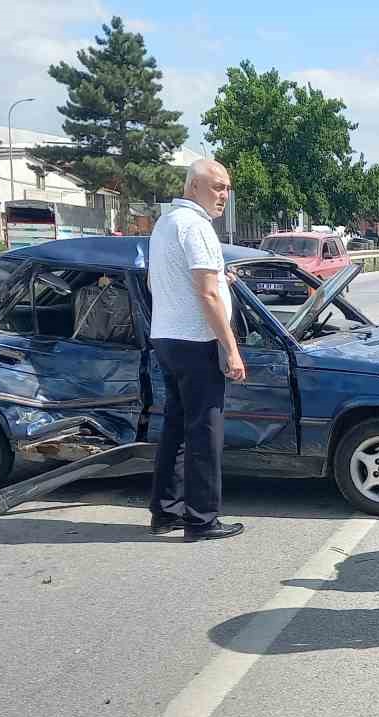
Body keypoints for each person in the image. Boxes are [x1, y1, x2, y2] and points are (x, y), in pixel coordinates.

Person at [146, 158, 247, 542]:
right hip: (197, 342)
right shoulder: (197, 227)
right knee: (205, 432)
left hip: (167, 338)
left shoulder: (166, 224)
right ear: (193, 188)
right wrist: (232, 348)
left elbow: (163, 282)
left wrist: (224, 281)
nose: (224, 195)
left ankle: (165, 511)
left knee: (175, 427)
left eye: (226, 188)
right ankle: (202, 520)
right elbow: (206, 294)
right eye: (217, 186)